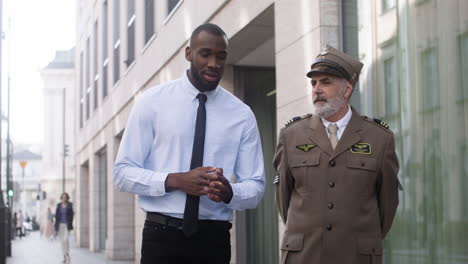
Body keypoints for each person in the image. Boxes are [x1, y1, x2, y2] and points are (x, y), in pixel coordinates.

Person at [113, 23, 265, 264]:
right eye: (205, 54)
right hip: (160, 237)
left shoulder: (242, 114)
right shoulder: (151, 103)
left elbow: (256, 187)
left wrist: (229, 192)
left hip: (214, 241)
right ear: (188, 53)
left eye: (221, 56)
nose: (214, 63)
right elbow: (122, 174)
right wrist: (175, 180)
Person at [273, 45, 400, 264]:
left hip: (355, 257)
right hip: (304, 256)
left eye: (326, 82)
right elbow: (284, 200)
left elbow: (387, 207)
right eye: (314, 82)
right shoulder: (291, 135)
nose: (316, 89)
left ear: (347, 89)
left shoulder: (380, 138)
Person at [55, 192, 74, 264]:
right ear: (61, 198)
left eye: (65, 197)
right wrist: (56, 227)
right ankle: (64, 256)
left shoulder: (70, 205)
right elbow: (56, 216)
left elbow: (72, 215)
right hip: (60, 225)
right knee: (62, 241)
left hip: (67, 225)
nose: (64, 198)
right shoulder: (59, 205)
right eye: (63, 197)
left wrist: (70, 224)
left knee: (66, 239)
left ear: (67, 198)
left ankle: (67, 254)